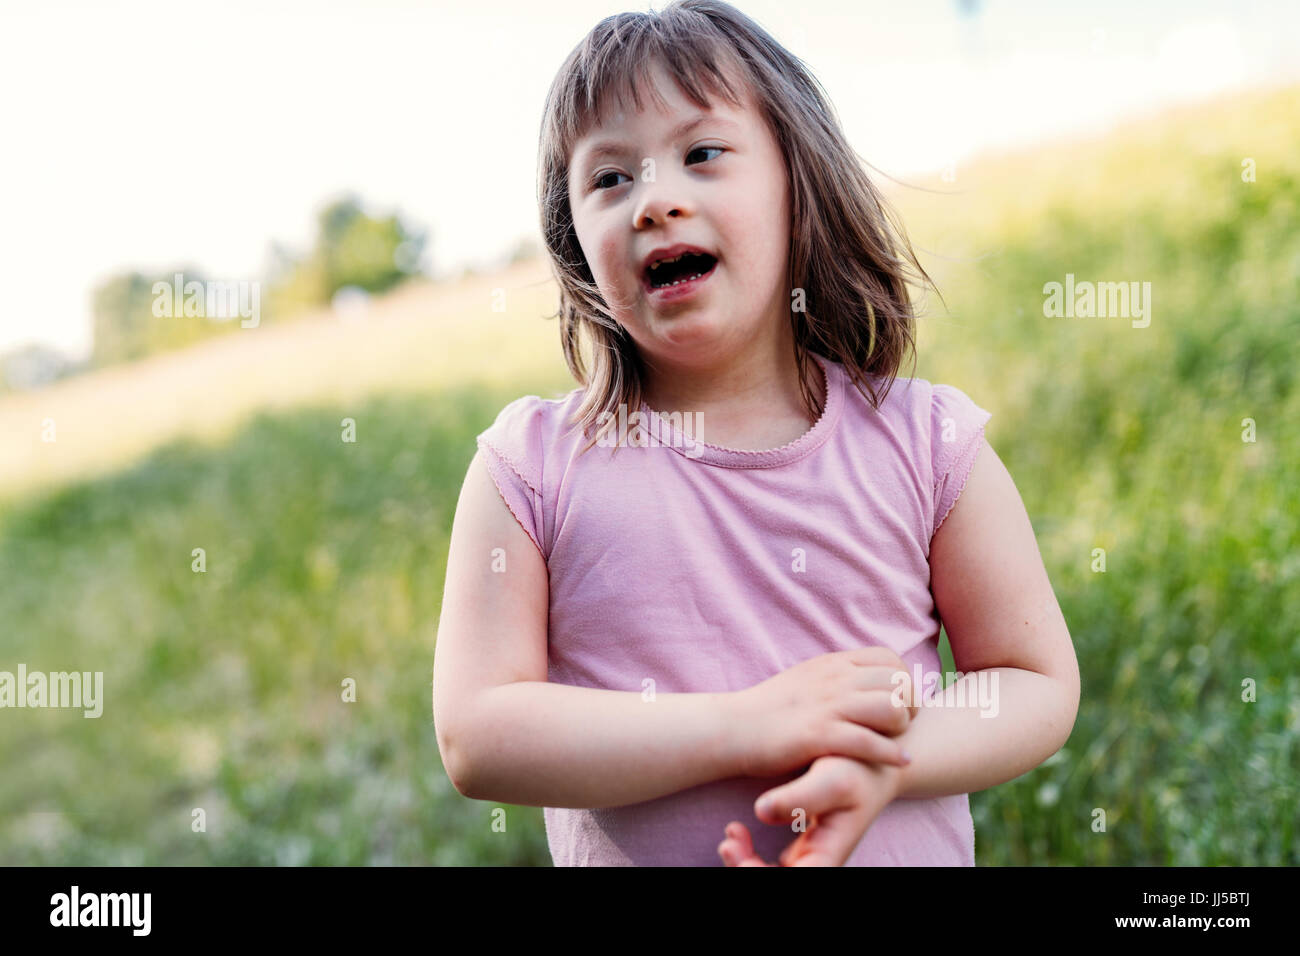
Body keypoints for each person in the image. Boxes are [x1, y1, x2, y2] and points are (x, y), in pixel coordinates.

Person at [432, 0, 1080, 866]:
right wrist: (749, 727)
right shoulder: (532, 471)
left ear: (795, 179)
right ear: (574, 237)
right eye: (609, 178)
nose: (654, 202)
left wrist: (878, 760)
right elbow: (478, 733)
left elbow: (1034, 684)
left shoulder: (925, 442)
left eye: (702, 155)